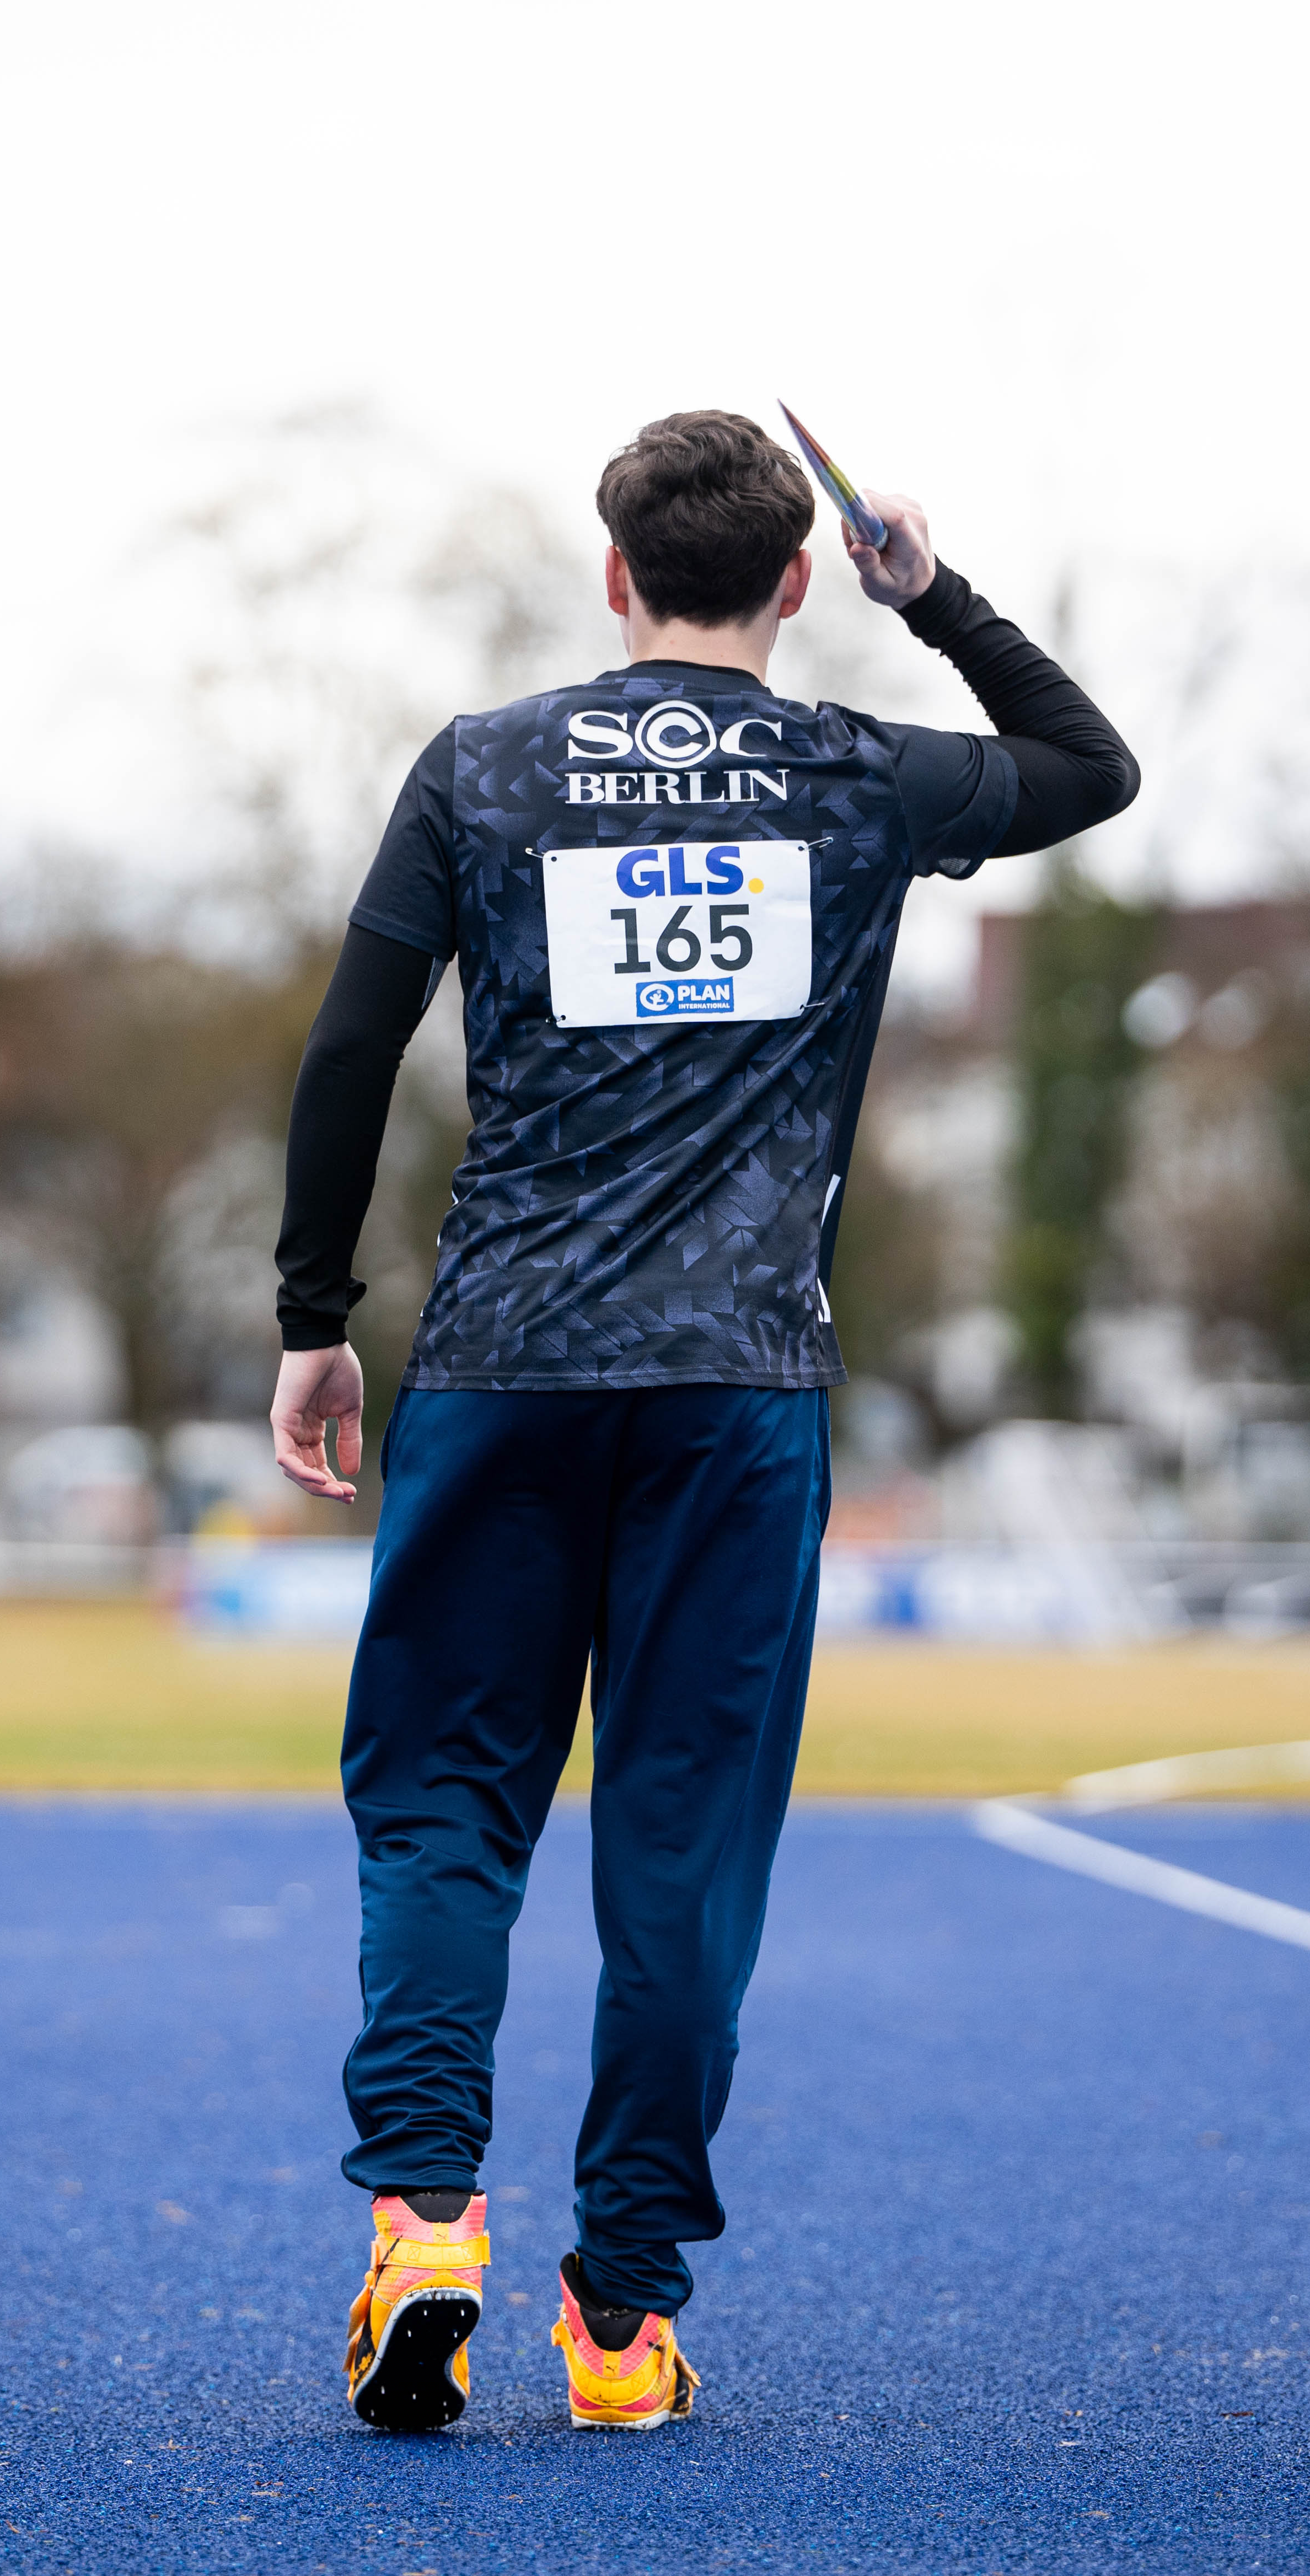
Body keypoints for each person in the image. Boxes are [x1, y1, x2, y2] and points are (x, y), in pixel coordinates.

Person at [269, 410, 1137, 2432]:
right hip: (736, 1393)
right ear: (798, 580)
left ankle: (424, 2220)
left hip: (499, 1366)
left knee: (442, 1806)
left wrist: (315, 1318)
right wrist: (939, 599)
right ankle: (620, 2319)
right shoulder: (855, 775)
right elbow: (1089, 766)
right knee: (680, 1850)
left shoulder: (482, 768)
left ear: (613, 576)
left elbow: (350, 1046)